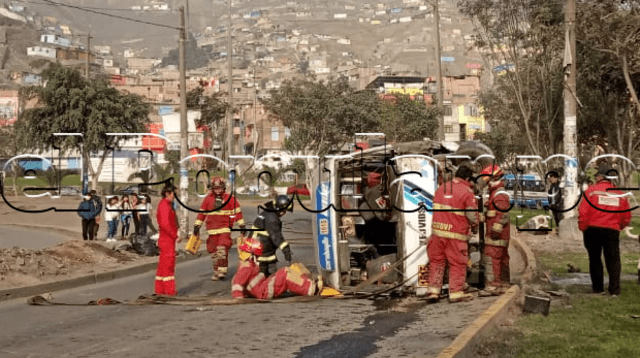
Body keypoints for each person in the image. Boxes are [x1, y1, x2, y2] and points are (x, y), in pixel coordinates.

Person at [425, 166, 480, 303]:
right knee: (457, 264)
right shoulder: (467, 192)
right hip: (455, 236)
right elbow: (472, 217)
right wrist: (475, 226)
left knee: (437, 262)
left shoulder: (442, 188)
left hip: (437, 234)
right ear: (467, 178)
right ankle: (456, 293)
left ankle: (433, 292)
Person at [578, 165, 631, 297]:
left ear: (600, 177)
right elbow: (626, 216)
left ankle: (598, 288)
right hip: (612, 230)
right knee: (613, 260)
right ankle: (614, 290)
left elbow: (583, 212)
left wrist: (583, 227)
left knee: (595, 258)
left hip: (593, 229)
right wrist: (619, 226)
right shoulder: (620, 194)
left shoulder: (591, 191)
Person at [231, 236, 323, 299]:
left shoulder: (249, 265)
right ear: (251, 255)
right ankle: (310, 288)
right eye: (257, 256)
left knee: (294, 267)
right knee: (285, 273)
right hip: (264, 292)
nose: (259, 258)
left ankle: (309, 281)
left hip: (264, 287)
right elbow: (237, 283)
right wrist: (238, 298)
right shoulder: (246, 267)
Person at [193, 177, 246, 281]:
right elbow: (202, 214)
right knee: (214, 253)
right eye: (216, 188)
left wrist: (242, 225)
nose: (218, 191)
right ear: (212, 188)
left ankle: (222, 271)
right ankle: (216, 271)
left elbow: (238, 212)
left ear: (223, 188)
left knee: (222, 249)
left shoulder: (230, 199)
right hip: (212, 231)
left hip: (224, 229)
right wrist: (196, 226)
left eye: (219, 188)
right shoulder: (208, 199)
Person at [478, 165, 511, 297]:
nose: (488, 184)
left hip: (496, 235)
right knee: (502, 258)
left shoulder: (499, 194)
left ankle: (493, 286)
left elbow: (502, 214)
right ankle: (503, 284)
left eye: (488, 182)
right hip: (501, 234)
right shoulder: (497, 193)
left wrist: (495, 231)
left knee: (491, 258)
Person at [248, 194, 294, 276]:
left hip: (260, 249)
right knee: (263, 276)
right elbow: (276, 237)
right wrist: (286, 250)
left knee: (268, 274)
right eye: (284, 211)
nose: (284, 213)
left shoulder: (267, 212)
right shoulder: (272, 218)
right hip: (261, 251)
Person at [155, 184, 181, 295]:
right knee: (168, 266)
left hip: (165, 239)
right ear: (167, 193)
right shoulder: (165, 206)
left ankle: (160, 290)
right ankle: (169, 291)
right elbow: (166, 224)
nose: (175, 196)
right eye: (174, 194)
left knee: (163, 266)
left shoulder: (166, 204)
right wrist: (175, 235)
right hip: (167, 239)